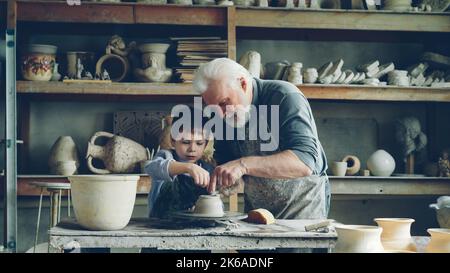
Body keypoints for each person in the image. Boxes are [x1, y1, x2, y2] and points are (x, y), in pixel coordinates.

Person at [193, 58, 330, 220]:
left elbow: (305, 162)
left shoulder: (284, 97)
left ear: (243, 84)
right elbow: (227, 162)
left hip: (302, 209)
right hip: (259, 212)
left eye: (224, 103)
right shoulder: (223, 116)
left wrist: (242, 165)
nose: (221, 114)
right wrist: (226, 180)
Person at [144, 107, 213, 219]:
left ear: (206, 144)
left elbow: (214, 203)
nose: (192, 149)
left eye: (199, 143)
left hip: (197, 226)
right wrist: (188, 167)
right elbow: (150, 168)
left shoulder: (206, 168)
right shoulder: (166, 156)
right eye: (185, 142)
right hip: (163, 224)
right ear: (172, 140)